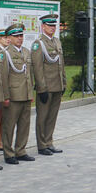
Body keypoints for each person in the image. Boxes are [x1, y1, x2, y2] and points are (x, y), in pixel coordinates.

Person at [31, 13, 66, 157]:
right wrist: (41, 87)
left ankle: (49, 141)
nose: (52, 28)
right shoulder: (38, 44)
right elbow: (37, 68)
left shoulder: (57, 42)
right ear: (43, 26)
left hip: (57, 85)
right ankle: (41, 145)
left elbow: (61, 64)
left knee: (52, 116)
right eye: (49, 25)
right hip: (46, 86)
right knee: (43, 116)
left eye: (54, 25)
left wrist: (63, 82)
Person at [0, 24, 35, 165]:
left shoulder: (26, 51)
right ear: (9, 38)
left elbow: (29, 74)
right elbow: (3, 76)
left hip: (26, 94)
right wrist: (6, 96)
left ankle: (21, 151)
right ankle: (8, 154)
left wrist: (31, 92)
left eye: (21, 36)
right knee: (9, 126)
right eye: (16, 36)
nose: (19, 38)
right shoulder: (5, 53)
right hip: (13, 95)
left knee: (24, 124)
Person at [0, 27, 9, 152]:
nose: (8, 40)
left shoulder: (8, 51)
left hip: (8, 88)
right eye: (5, 38)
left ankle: (3, 139)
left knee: (5, 116)